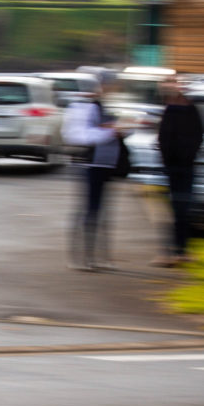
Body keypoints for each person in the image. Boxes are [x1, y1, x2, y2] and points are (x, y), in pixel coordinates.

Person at [62, 68, 125, 271]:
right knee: (88, 211)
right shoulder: (85, 106)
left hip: (107, 165)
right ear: (100, 85)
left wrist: (124, 129)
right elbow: (78, 135)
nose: (111, 88)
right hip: (91, 165)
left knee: (103, 212)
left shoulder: (106, 106)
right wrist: (110, 131)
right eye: (109, 84)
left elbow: (107, 131)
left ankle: (102, 258)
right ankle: (82, 258)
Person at [152, 74, 204, 267]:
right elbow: (163, 140)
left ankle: (179, 251)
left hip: (184, 167)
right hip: (175, 168)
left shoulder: (188, 111)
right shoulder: (173, 111)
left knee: (182, 210)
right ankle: (175, 251)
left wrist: (186, 157)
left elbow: (197, 137)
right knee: (177, 210)